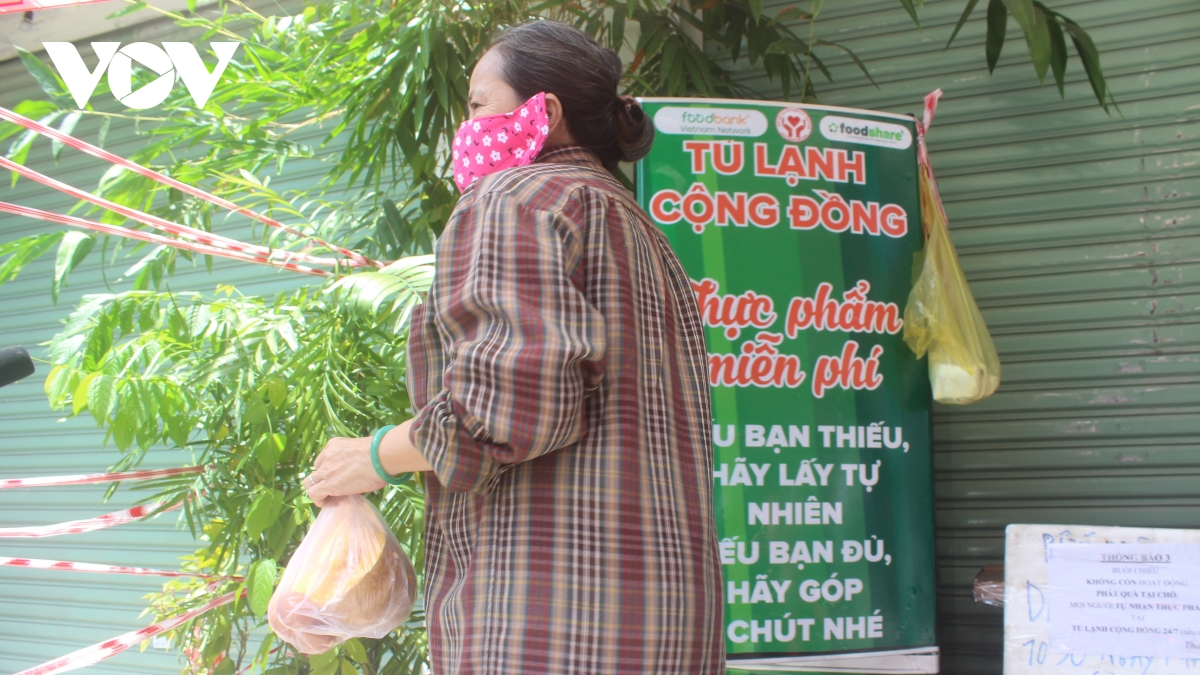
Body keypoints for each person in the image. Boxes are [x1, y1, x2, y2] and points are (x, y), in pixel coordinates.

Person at [303, 20, 724, 675]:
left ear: (544, 111)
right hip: (668, 625)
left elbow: (503, 412)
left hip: (550, 623)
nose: (465, 127)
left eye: (478, 104)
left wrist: (374, 456)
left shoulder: (513, 196)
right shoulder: (642, 229)